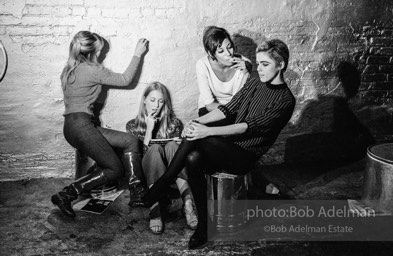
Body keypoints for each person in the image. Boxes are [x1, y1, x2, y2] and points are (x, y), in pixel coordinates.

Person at [142, 39, 296, 249]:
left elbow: (248, 126)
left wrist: (207, 131)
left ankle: (162, 183)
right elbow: (229, 108)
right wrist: (198, 121)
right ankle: (204, 225)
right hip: (225, 149)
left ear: (281, 65)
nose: (258, 69)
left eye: (265, 64)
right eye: (258, 63)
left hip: (244, 157)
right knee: (192, 157)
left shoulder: (286, 100)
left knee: (200, 137)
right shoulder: (255, 81)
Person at [51, 31, 149, 218]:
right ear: (91, 52)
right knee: (114, 169)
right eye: (99, 51)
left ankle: (137, 192)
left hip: (73, 127)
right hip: (81, 127)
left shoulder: (69, 69)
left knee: (130, 141)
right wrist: (138, 54)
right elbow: (125, 80)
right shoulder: (91, 70)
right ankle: (67, 194)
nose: (101, 55)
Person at [126, 82, 198, 234]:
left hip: (171, 177)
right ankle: (155, 208)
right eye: (152, 100)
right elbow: (137, 159)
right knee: (154, 149)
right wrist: (149, 129)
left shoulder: (174, 124)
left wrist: (181, 143)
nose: (156, 105)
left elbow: (179, 156)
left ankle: (188, 204)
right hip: (148, 178)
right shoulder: (132, 125)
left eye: (160, 101)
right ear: (144, 100)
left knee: (172, 146)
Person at [196, 26, 252, 121]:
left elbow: (239, 99)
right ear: (211, 54)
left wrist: (246, 72)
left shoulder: (244, 64)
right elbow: (209, 105)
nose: (228, 53)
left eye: (229, 47)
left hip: (234, 109)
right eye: (221, 51)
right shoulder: (202, 65)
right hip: (210, 109)